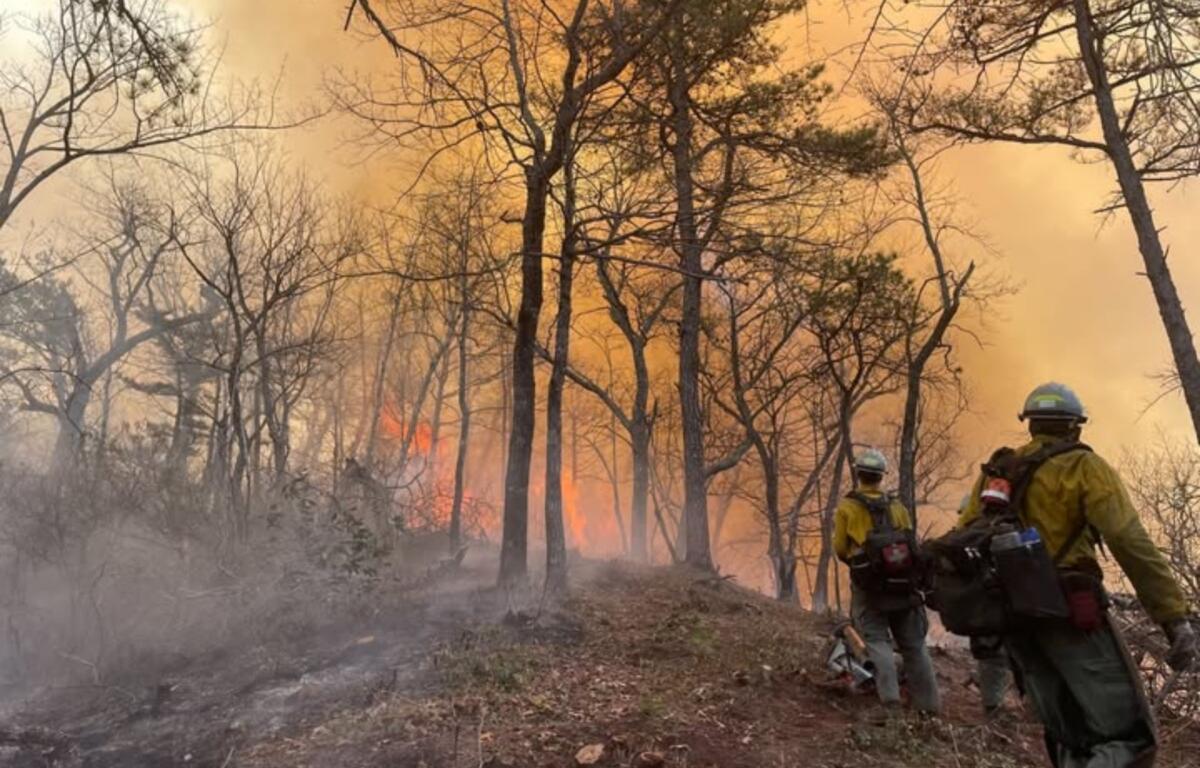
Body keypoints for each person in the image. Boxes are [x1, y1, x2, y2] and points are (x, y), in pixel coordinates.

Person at [959, 382, 1197, 767]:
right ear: (1075, 427)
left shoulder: (1000, 470)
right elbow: (1128, 539)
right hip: (1072, 613)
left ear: (1031, 424)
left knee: (1070, 738)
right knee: (1128, 739)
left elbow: (967, 534)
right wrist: (1173, 616)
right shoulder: (1084, 466)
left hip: (1014, 620)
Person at [834, 448, 941, 720]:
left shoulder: (848, 507)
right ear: (881, 477)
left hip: (869, 588)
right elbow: (910, 542)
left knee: (877, 641)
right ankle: (929, 707)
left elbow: (840, 549)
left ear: (859, 474)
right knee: (915, 645)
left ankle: (891, 704)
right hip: (904, 586)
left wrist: (863, 567)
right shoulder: (898, 507)